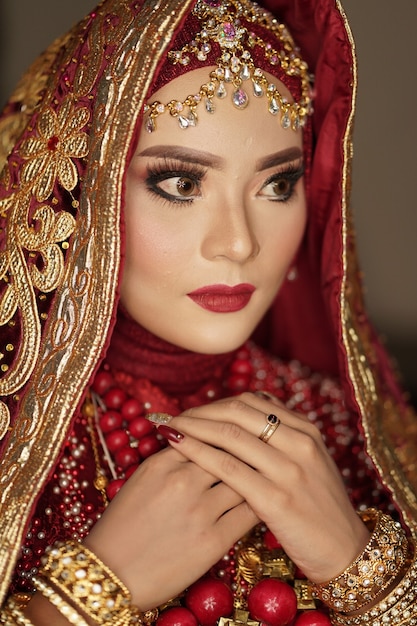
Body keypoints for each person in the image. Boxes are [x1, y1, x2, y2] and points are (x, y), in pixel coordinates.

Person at [0, 0, 416, 625]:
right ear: (81, 190)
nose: (240, 243)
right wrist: (90, 593)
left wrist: (363, 573)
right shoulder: (17, 439)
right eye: (182, 184)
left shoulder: (339, 425)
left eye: (277, 185)